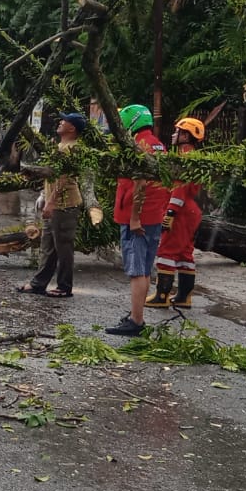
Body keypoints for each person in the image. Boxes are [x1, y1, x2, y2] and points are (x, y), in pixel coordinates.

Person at [105, 104, 171, 336]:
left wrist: (134, 218)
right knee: (143, 268)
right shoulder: (158, 145)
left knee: (137, 270)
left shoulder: (137, 147)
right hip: (153, 215)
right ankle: (136, 315)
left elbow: (140, 185)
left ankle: (136, 321)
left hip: (138, 218)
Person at [19, 112, 88, 298]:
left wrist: (51, 202)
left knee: (63, 247)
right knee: (47, 245)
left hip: (65, 205)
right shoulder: (60, 146)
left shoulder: (72, 149)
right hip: (54, 203)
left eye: (64, 121)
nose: (59, 122)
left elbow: (64, 178)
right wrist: (42, 192)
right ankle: (38, 283)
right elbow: (52, 174)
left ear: (72, 128)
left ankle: (64, 287)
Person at [147, 117, 206, 309]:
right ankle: (183, 297)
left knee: (166, 251)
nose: (174, 135)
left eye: (178, 131)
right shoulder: (192, 155)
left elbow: (179, 189)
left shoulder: (185, 158)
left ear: (186, 135)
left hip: (181, 211)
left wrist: (170, 212)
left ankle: (162, 295)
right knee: (184, 254)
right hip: (190, 210)